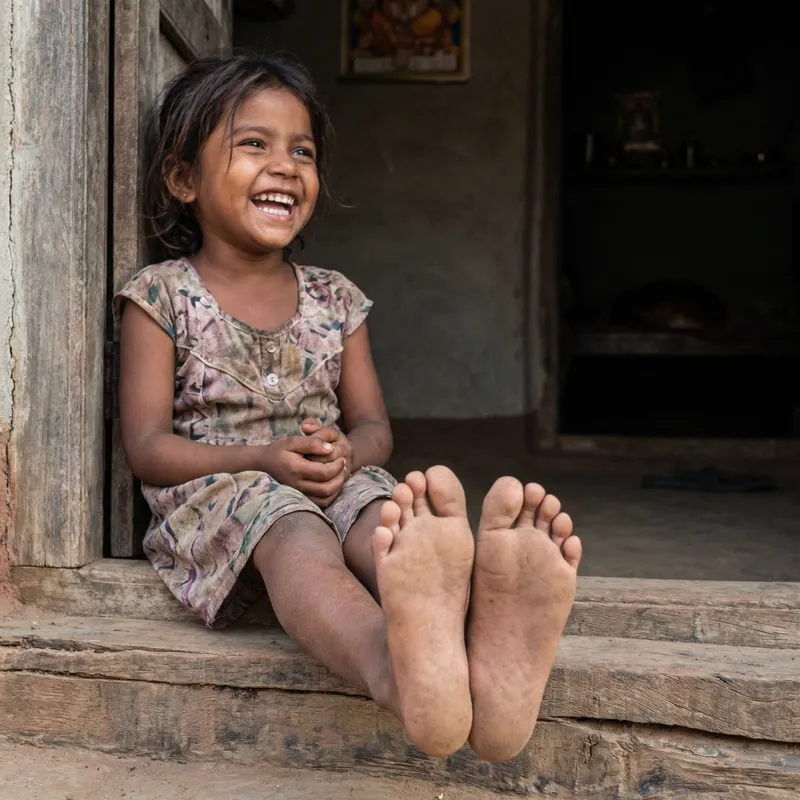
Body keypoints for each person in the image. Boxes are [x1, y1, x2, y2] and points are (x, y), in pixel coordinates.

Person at [115, 53, 582, 763]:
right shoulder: (161, 296)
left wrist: (346, 456)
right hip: (224, 493)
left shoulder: (336, 298)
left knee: (385, 520)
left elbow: (374, 429)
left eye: (302, 150)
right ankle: (395, 670)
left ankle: (469, 652)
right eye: (253, 144)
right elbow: (147, 447)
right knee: (294, 532)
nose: (286, 165)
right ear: (183, 179)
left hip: (326, 476)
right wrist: (263, 460)